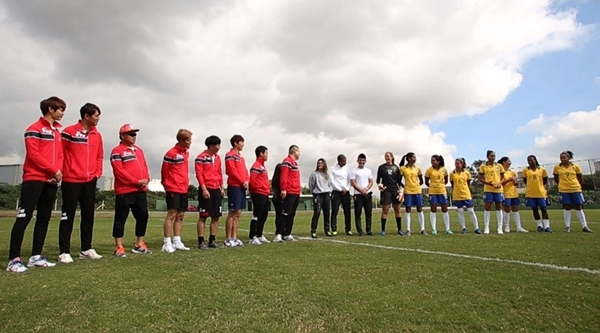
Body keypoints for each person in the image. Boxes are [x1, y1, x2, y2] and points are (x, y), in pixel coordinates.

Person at [7, 97, 65, 273]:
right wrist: (52, 170)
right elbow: (34, 155)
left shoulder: (57, 132)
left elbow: (60, 155)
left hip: (51, 180)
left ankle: (36, 256)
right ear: (50, 108)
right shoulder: (34, 129)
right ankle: (14, 260)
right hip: (34, 178)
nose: (62, 112)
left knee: (44, 219)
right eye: (60, 109)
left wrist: (57, 172)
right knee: (24, 218)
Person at [58, 103, 104, 264]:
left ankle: (86, 249)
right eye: (96, 115)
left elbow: (100, 156)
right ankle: (64, 251)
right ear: (87, 116)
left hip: (90, 181)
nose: (98, 118)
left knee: (88, 216)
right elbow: (60, 153)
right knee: (67, 215)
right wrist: (61, 171)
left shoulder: (97, 135)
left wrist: (97, 173)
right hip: (71, 180)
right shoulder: (69, 132)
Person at [110, 124, 152, 257]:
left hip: (140, 190)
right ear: (122, 136)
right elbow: (119, 172)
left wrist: (146, 180)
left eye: (135, 134)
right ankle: (119, 246)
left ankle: (139, 243)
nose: (134, 136)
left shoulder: (139, 150)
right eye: (131, 134)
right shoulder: (117, 151)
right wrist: (135, 181)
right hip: (125, 190)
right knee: (120, 218)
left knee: (143, 216)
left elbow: (144, 166)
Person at [161, 129, 193, 253]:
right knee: (172, 214)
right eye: (188, 140)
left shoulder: (186, 153)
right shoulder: (171, 153)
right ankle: (166, 242)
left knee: (180, 215)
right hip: (173, 187)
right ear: (181, 141)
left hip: (183, 188)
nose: (190, 142)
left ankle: (177, 241)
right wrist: (166, 185)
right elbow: (164, 171)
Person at [195, 135, 224, 249]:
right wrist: (204, 188)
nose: (219, 147)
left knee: (216, 216)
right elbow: (199, 174)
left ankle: (212, 240)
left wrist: (221, 187)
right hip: (206, 189)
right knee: (203, 216)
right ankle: (201, 241)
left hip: (216, 189)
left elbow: (219, 173)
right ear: (211, 146)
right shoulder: (200, 157)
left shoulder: (217, 158)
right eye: (217, 145)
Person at [553, 151, 593, 233]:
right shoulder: (557, 167)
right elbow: (556, 178)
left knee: (578, 207)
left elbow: (579, 177)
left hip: (575, 189)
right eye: (561, 158)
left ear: (569, 158)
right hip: (564, 190)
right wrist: (561, 184)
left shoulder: (575, 166)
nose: (562, 159)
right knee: (567, 207)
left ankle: (584, 226)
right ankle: (567, 226)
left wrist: (578, 185)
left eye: (564, 157)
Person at [225, 134, 249, 247]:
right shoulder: (230, 155)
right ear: (235, 143)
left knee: (238, 213)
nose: (243, 144)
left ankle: (234, 237)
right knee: (232, 212)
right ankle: (228, 238)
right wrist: (241, 181)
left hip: (242, 186)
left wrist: (247, 181)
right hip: (234, 185)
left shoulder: (241, 158)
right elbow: (231, 171)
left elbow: (245, 171)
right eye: (241, 142)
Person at [449, 158, 481, 234]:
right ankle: (464, 228)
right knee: (460, 212)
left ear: (462, 164)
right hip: (457, 195)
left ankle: (476, 228)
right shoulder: (452, 173)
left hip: (466, 194)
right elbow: (453, 184)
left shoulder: (467, 173)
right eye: (456, 163)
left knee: (471, 211)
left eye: (458, 163)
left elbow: (468, 183)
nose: (457, 165)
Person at [376, 152, 404, 236]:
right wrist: (379, 184)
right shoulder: (381, 167)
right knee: (385, 209)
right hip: (386, 190)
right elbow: (378, 180)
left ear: (392, 157)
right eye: (385, 156)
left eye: (388, 156)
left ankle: (399, 229)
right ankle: (383, 230)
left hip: (395, 190)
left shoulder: (396, 168)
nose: (387, 158)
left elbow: (399, 181)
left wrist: (402, 189)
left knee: (397, 209)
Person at [248, 146, 271, 244]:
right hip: (258, 193)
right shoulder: (256, 166)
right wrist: (254, 192)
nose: (267, 155)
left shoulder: (263, 166)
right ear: (261, 154)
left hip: (264, 193)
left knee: (264, 215)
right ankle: (252, 237)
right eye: (266, 153)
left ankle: (259, 234)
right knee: (257, 215)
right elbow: (252, 181)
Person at [278, 145, 301, 241]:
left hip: (296, 191)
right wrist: (283, 189)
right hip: (290, 191)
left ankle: (287, 233)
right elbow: (284, 176)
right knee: (285, 213)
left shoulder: (295, 164)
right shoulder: (287, 161)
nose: (299, 153)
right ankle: (279, 233)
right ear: (294, 151)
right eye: (298, 151)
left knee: (292, 214)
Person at [399, 152, 426, 236]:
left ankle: (422, 229)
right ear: (409, 159)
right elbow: (399, 180)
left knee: (420, 209)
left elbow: (421, 181)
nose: (415, 159)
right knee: (408, 210)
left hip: (417, 191)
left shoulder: (418, 168)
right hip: (408, 191)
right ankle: (408, 229)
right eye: (414, 157)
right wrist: (405, 186)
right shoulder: (403, 168)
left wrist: (416, 186)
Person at [478, 150, 504, 234]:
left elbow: (503, 177)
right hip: (488, 189)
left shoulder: (499, 166)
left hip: (498, 189)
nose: (493, 157)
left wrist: (500, 183)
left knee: (499, 207)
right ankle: (486, 227)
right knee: (487, 207)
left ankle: (500, 227)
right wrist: (487, 183)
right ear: (487, 156)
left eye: (494, 156)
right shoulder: (483, 166)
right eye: (491, 156)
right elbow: (481, 178)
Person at [425, 155, 451, 235]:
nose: (432, 162)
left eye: (433, 160)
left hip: (442, 191)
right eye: (431, 160)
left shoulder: (444, 169)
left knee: (445, 209)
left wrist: (441, 185)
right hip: (433, 192)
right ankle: (433, 229)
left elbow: (446, 180)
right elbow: (426, 182)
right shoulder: (429, 170)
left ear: (438, 161)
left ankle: (447, 229)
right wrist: (433, 186)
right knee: (433, 209)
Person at [523, 155, 549, 233]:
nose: (530, 162)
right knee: (534, 209)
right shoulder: (525, 170)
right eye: (529, 161)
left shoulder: (542, 169)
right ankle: (539, 226)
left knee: (543, 209)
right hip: (530, 193)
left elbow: (545, 180)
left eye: (532, 160)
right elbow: (525, 181)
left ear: (535, 160)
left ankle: (547, 226)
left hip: (541, 192)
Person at [498, 157, 524, 233]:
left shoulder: (512, 172)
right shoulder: (500, 172)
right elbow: (500, 183)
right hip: (506, 193)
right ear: (504, 162)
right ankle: (507, 226)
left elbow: (515, 183)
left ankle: (519, 227)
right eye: (508, 161)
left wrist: (515, 181)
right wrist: (509, 180)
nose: (510, 162)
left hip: (514, 193)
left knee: (516, 209)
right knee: (507, 210)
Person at [350, 153, 373, 236]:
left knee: (368, 212)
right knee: (358, 213)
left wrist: (366, 189)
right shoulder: (354, 170)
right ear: (357, 160)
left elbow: (371, 181)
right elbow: (353, 182)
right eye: (360, 160)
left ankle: (368, 230)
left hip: (367, 194)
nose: (361, 162)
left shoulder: (368, 170)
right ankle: (360, 230)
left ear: (365, 161)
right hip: (358, 195)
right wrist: (360, 190)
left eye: (363, 160)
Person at [308, 158, 332, 238]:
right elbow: (311, 185)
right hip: (318, 195)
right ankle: (313, 230)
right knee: (317, 213)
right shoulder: (314, 174)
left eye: (321, 163)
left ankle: (327, 230)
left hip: (326, 194)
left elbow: (329, 184)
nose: (320, 165)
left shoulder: (327, 175)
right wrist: (314, 192)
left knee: (327, 213)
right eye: (319, 163)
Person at [330, 154, 352, 236]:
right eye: (343, 161)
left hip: (346, 192)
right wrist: (340, 189)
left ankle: (348, 229)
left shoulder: (347, 169)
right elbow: (332, 181)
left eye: (345, 161)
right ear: (338, 161)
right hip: (336, 192)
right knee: (335, 211)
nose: (345, 162)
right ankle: (334, 229)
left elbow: (349, 180)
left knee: (347, 211)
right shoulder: (332, 169)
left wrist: (346, 189)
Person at [271, 163, 284, 242]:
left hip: (276, 198)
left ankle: (280, 231)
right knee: (280, 215)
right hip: (279, 198)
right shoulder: (279, 180)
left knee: (279, 215)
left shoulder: (275, 179)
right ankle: (279, 232)